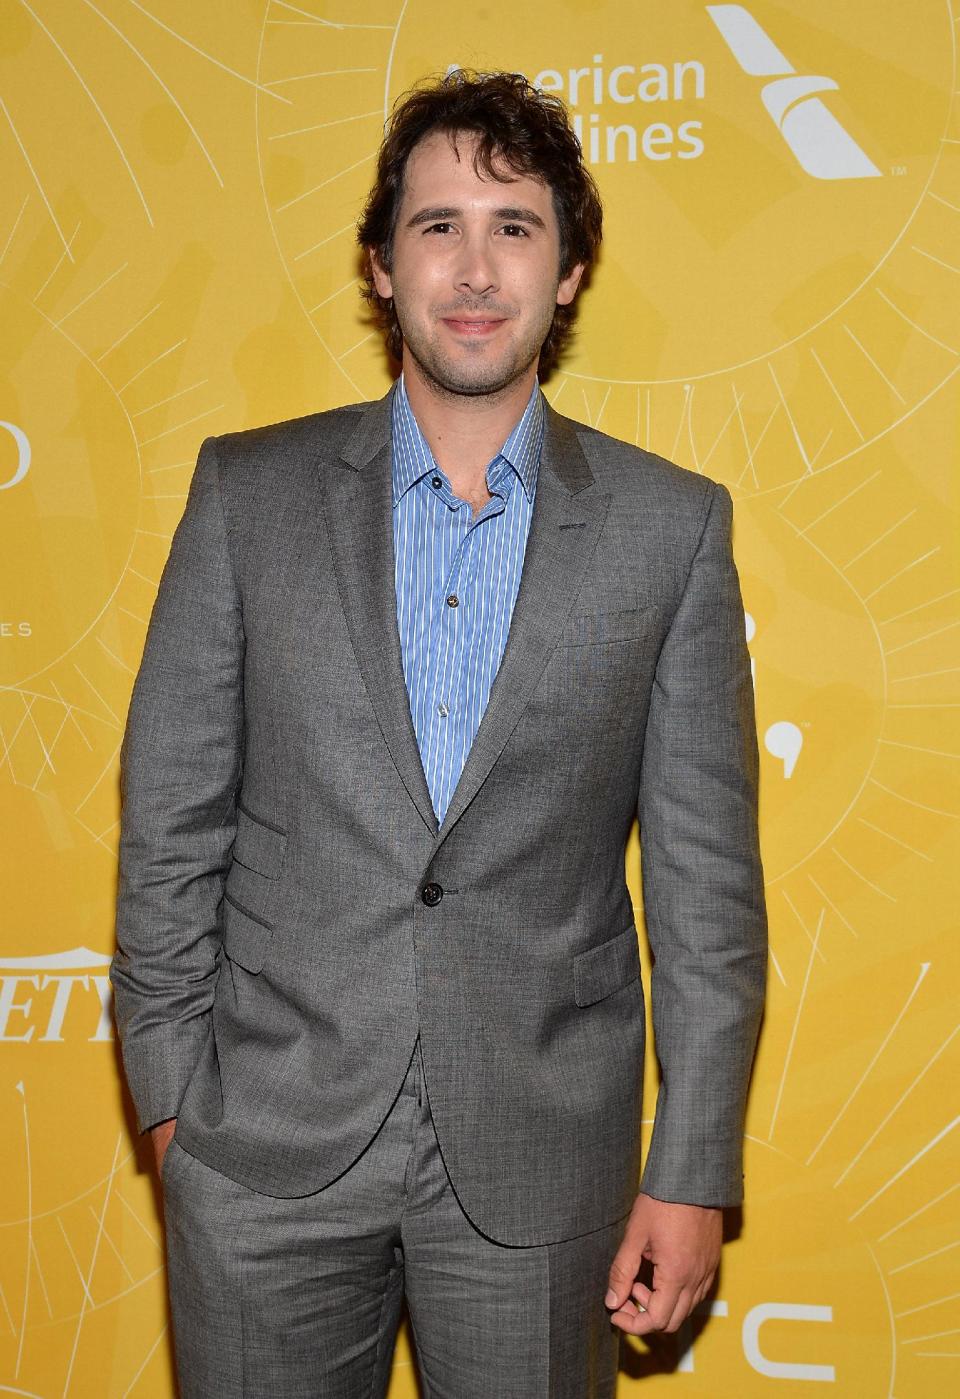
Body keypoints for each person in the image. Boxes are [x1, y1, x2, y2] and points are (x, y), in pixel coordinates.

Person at [111, 68, 767, 1398]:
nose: (476, 267)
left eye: (516, 227)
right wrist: (178, 1112)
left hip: (542, 1170)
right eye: (437, 225)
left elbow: (707, 895)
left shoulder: (669, 529)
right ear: (378, 262)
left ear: (570, 270)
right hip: (263, 1160)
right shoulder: (247, 496)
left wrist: (691, 1171)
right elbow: (169, 825)